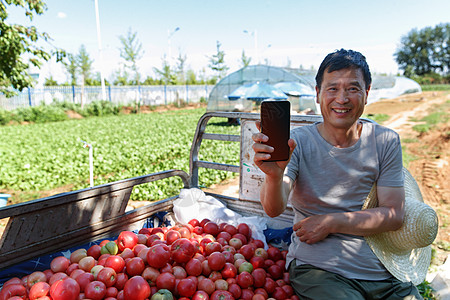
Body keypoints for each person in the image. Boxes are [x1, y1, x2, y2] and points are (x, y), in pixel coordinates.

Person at [252, 49, 423, 299]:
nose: (341, 99)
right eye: (332, 89)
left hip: (384, 272)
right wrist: (274, 176)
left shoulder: (385, 141)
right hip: (321, 270)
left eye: (352, 88)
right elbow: (273, 209)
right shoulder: (298, 143)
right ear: (318, 94)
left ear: (367, 92)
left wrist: (331, 222)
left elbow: (394, 215)